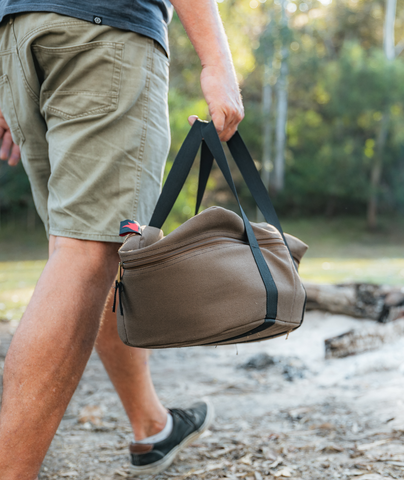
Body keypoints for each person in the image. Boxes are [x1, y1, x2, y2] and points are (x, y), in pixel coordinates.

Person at [0, 0, 244, 477]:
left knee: (82, 252)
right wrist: (217, 62)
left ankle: (151, 425)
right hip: (103, 33)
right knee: (87, 257)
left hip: (20, 37)